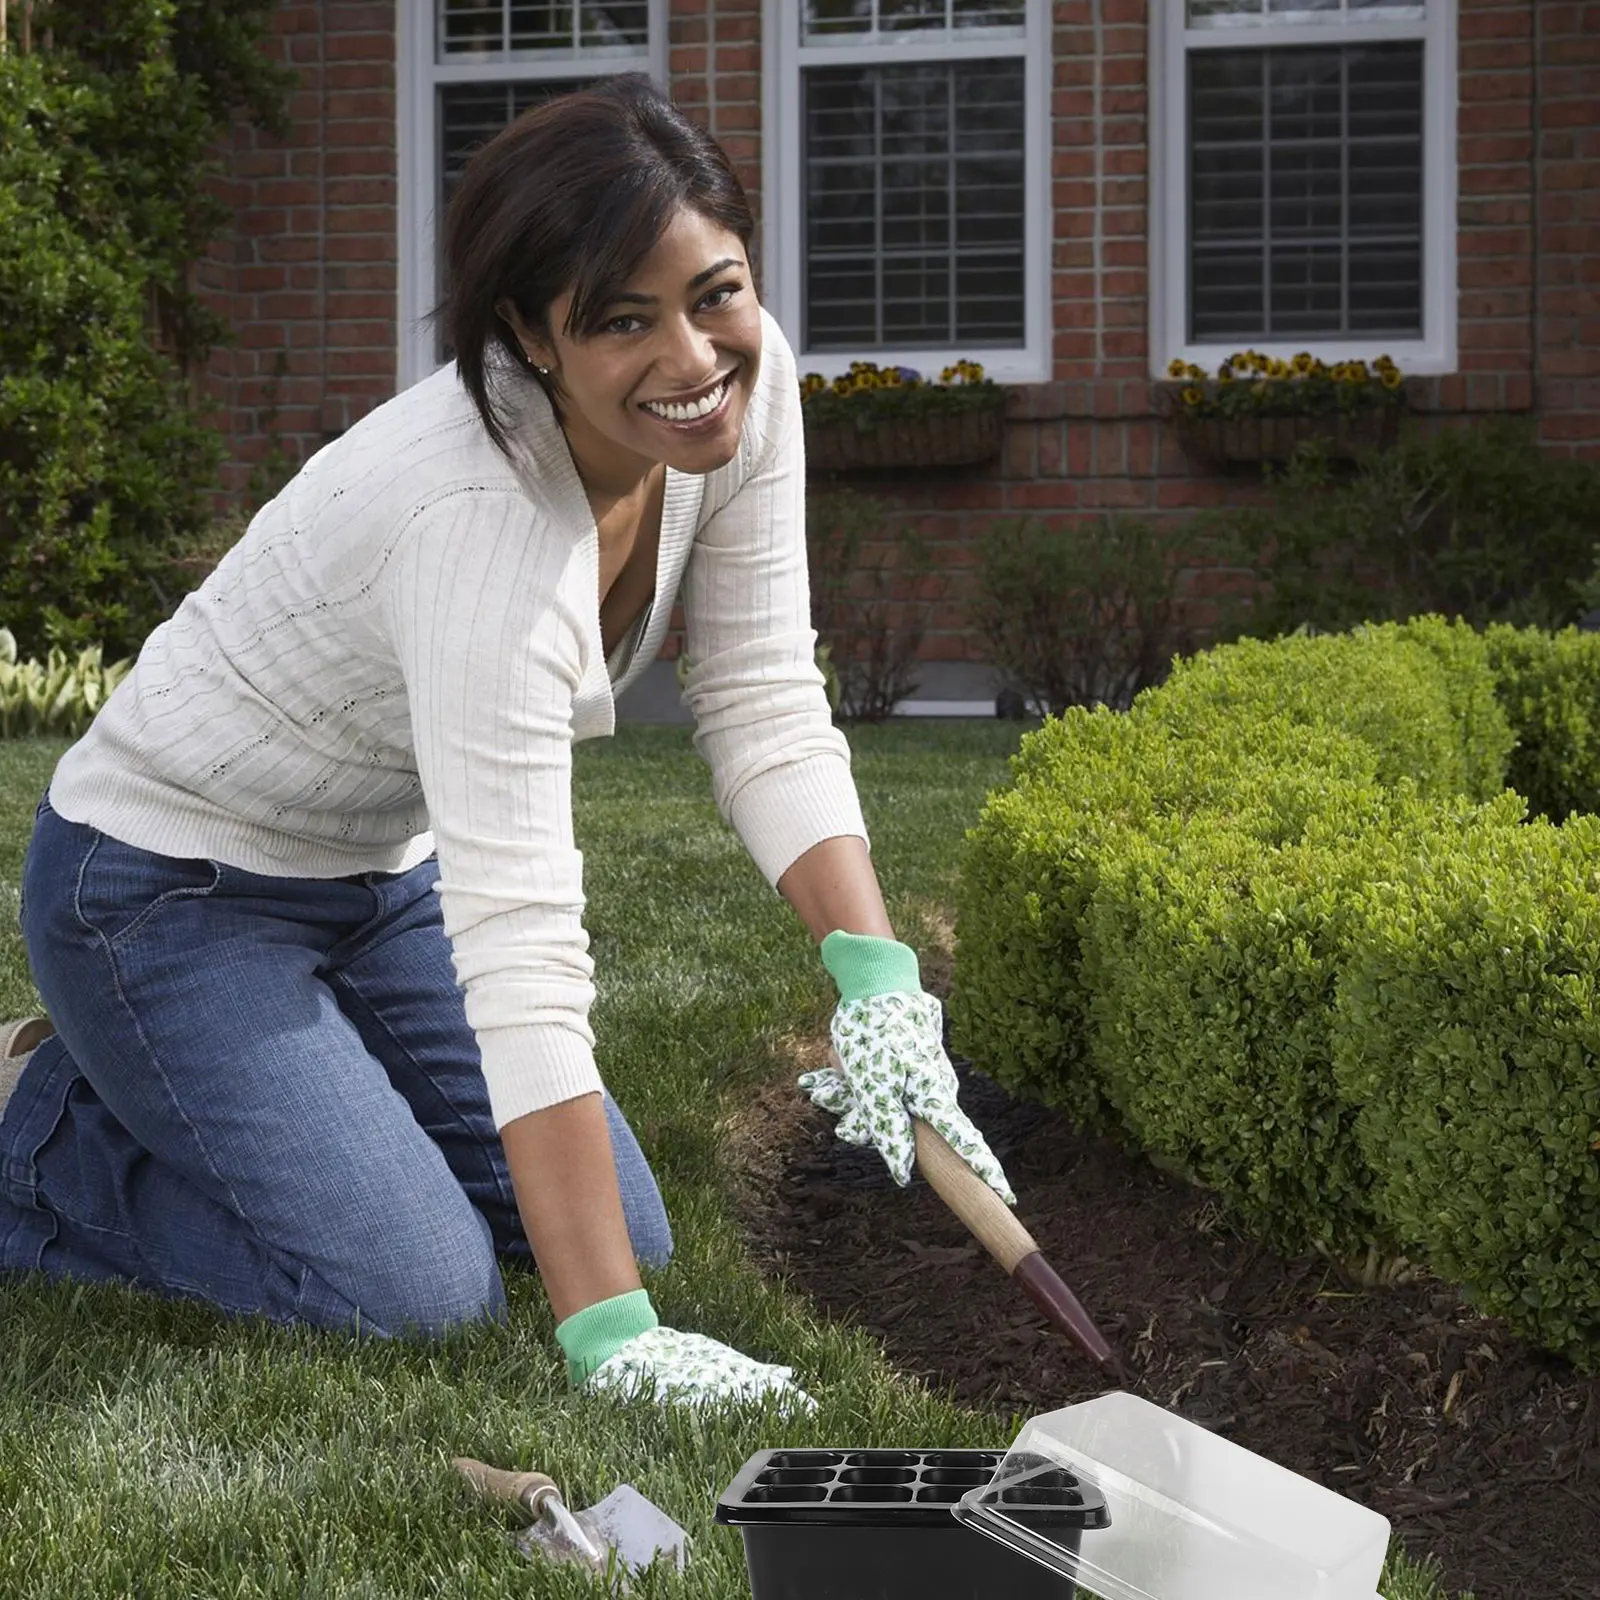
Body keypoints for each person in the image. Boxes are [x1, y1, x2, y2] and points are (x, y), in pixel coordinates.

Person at [0, 75, 1012, 1409]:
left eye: (716, 294)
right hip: (163, 892)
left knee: (621, 1234)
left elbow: (763, 693)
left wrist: (876, 980)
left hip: (367, 879)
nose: (695, 363)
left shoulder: (744, 407)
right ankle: (40, 1125)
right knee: (415, 1294)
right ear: (533, 339)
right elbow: (522, 942)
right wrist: (614, 1337)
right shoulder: (478, 526)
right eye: (623, 323)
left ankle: (175, 1078)